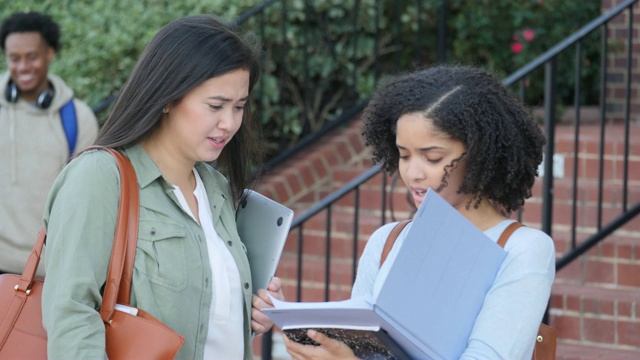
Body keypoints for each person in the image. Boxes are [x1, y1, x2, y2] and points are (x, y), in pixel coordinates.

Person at [41, 15, 282, 359]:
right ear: (167, 98)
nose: (229, 123)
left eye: (239, 106)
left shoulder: (216, 189)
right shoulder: (100, 177)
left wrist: (253, 306)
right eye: (215, 106)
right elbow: (71, 315)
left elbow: (211, 317)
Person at [283, 65, 555, 359]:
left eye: (432, 158)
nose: (413, 173)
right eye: (404, 155)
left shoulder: (523, 249)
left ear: (479, 156)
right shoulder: (386, 241)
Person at [0, 11, 98, 276]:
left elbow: (85, 202)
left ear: (50, 53)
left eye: (31, 56)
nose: (22, 67)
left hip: (48, 272)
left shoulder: (79, 118)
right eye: (14, 58)